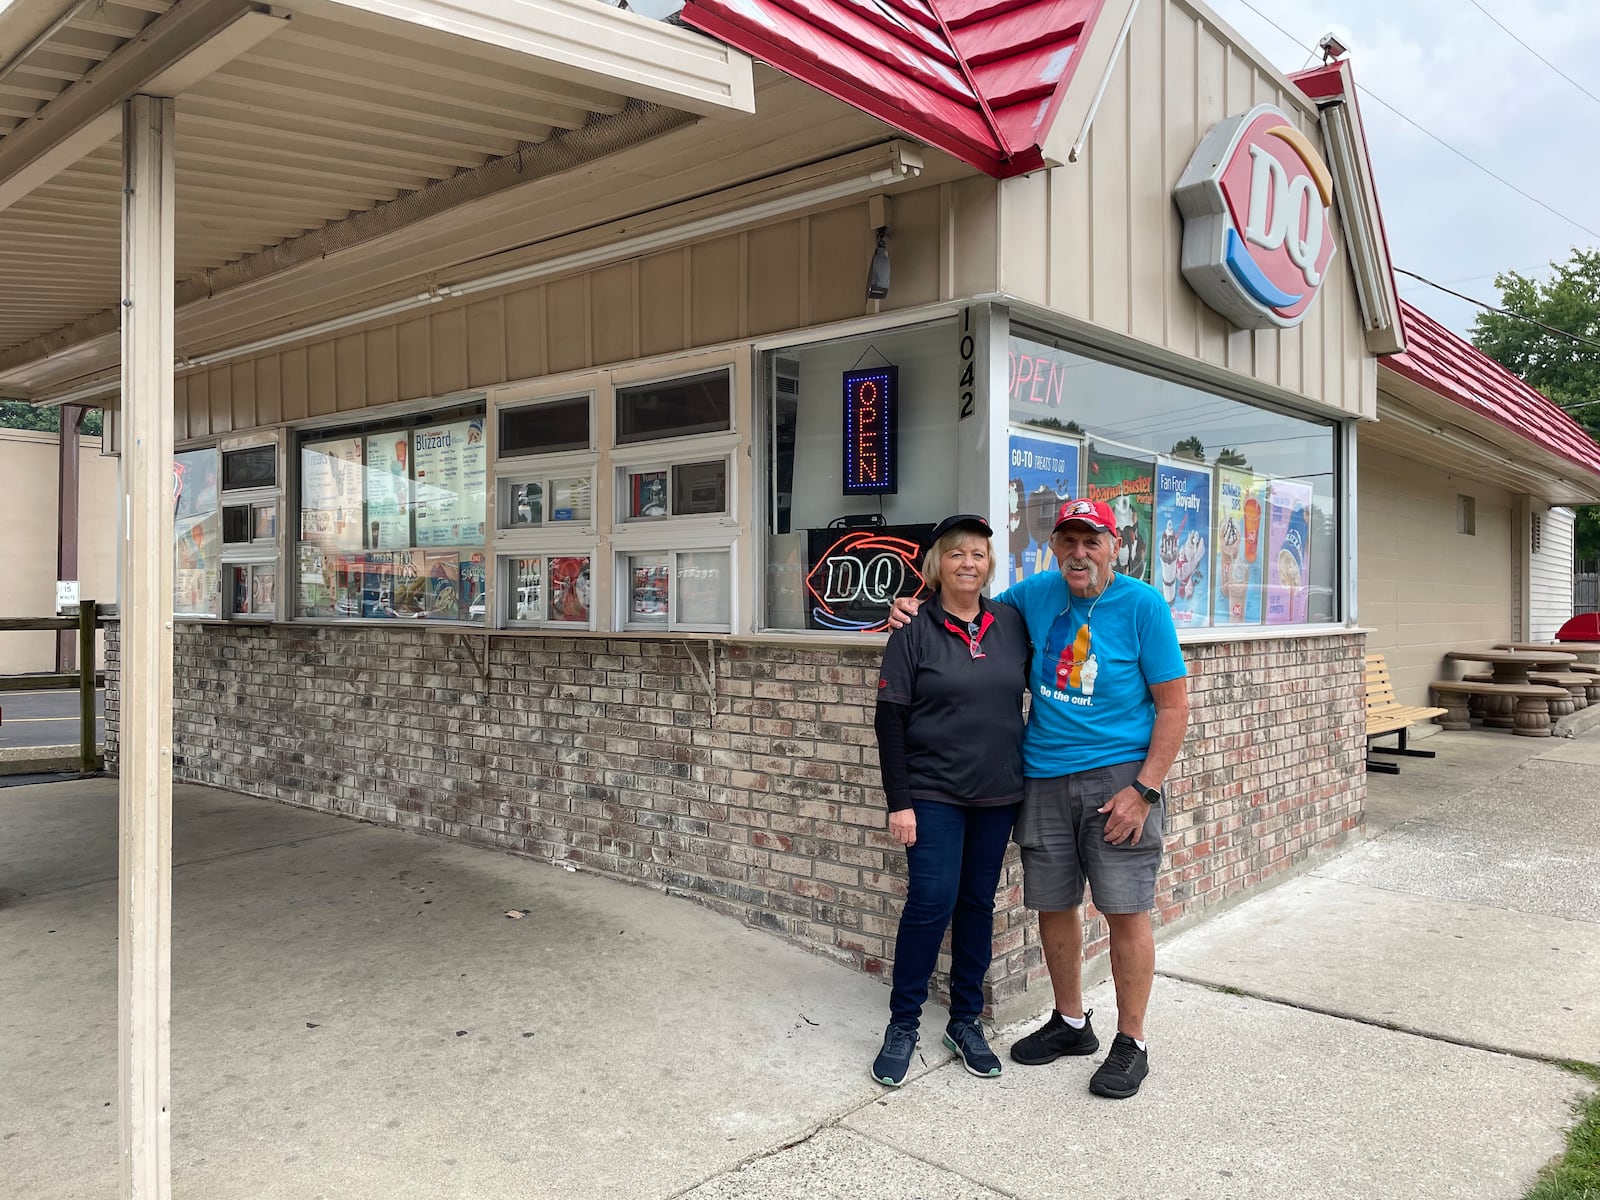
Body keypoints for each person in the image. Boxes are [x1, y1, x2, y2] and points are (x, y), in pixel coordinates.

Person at [890, 497, 1189, 1099]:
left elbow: (1174, 705)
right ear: (1054, 547)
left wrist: (1145, 790)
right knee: (1055, 906)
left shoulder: (1143, 605)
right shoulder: (1033, 597)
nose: (1080, 554)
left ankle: (1131, 1042)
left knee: (1126, 909)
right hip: (1042, 777)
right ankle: (1071, 1022)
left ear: (1113, 546)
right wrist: (911, 606)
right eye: (1069, 542)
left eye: (1092, 541)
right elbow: (966, 606)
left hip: (1118, 780)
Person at [870, 514, 1031, 1088]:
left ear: (990, 566)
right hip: (932, 793)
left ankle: (965, 1021)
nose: (969, 562)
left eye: (980, 554)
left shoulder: (1011, 622)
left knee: (975, 907)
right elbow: (889, 721)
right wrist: (900, 802)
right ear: (937, 565)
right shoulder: (911, 630)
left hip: (998, 793)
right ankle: (903, 1023)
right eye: (957, 553)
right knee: (929, 904)